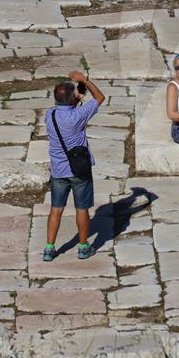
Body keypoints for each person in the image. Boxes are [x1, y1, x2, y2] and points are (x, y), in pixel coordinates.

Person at [43, 70, 105, 261]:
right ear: (72, 99)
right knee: (81, 209)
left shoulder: (49, 114)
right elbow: (100, 97)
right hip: (79, 170)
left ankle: (49, 248)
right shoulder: (78, 115)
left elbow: (65, 104)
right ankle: (84, 246)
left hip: (58, 170)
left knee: (56, 209)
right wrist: (85, 80)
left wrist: (75, 98)